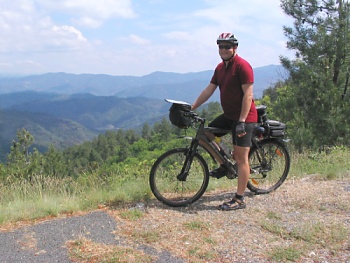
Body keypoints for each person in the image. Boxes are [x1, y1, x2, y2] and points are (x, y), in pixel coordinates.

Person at [191, 32, 258, 211]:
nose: (224, 49)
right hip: (229, 115)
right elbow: (209, 90)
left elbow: (248, 95)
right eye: (221, 46)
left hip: (245, 117)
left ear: (235, 47)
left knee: (241, 158)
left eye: (228, 46)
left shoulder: (243, 66)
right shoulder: (220, 68)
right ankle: (224, 164)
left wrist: (242, 121)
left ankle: (239, 198)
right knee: (205, 135)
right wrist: (192, 108)